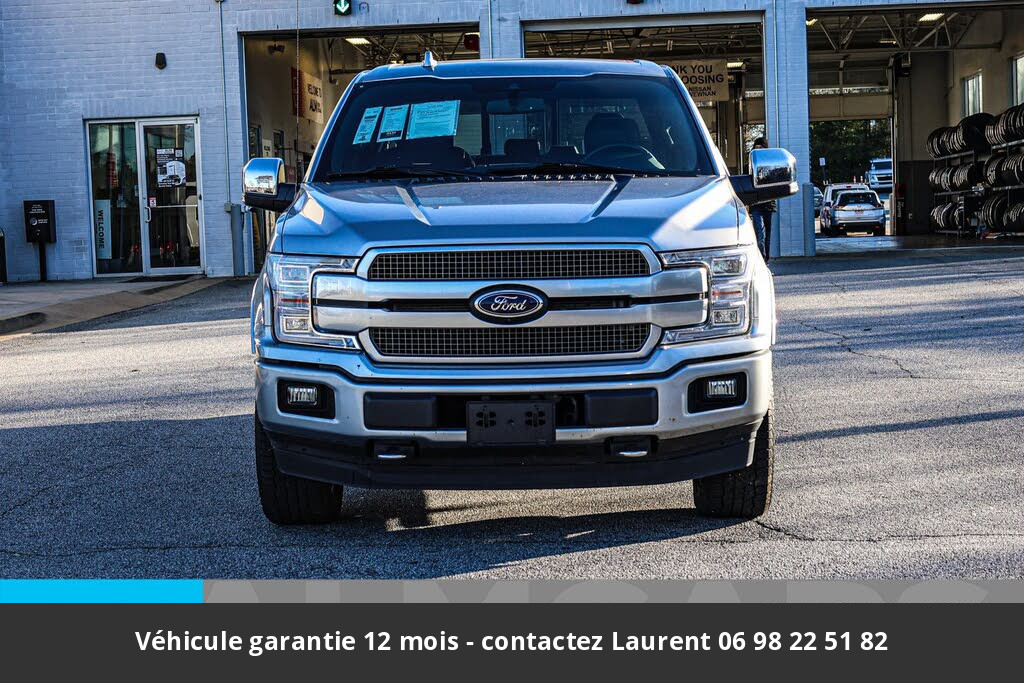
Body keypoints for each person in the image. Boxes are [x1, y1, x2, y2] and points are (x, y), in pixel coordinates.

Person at [749, 137, 775, 262]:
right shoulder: (749, 166)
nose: (758, 150)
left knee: (768, 234)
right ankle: (762, 260)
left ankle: (766, 260)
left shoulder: (771, 165)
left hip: (768, 204)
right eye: (756, 147)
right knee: (760, 233)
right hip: (756, 204)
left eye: (761, 147)